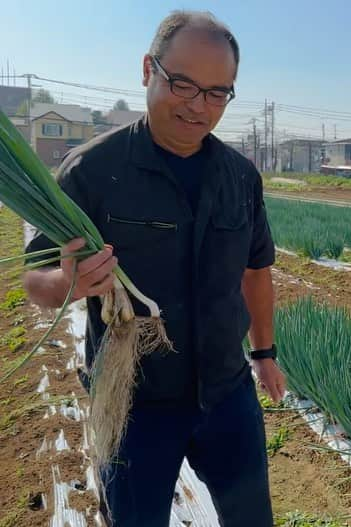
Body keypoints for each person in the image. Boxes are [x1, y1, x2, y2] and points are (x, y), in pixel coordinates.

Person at [23, 11, 284, 527]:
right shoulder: (91, 171)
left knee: (252, 518)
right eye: (182, 84)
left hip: (225, 392)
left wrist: (265, 353)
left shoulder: (240, 177)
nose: (198, 106)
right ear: (148, 70)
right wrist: (67, 284)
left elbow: (257, 272)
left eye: (217, 93)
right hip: (133, 401)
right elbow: (37, 280)